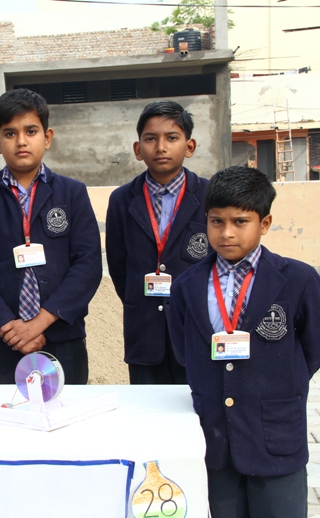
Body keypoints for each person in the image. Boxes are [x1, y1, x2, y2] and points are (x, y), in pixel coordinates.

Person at [168, 166, 320, 518]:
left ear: (265, 223)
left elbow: (316, 344)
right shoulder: (186, 285)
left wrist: (278, 380)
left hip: (275, 434)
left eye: (240, 222)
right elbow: (184, 349)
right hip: (215, 437)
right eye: (217, 221)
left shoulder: (298, 279)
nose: (227, 233)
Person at [0, 89, 102, 385]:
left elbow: (87, 265)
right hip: (4, 340)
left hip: (63, 336)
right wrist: (8, 327)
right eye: (10, 133)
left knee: (65, 410)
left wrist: (39, 323)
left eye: (31, 131)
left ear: (47, 137)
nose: (21, 141)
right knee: (6, 411)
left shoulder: (72, 193)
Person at [105, 100, 209, 385]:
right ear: (138, 149)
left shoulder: (210, 195)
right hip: (144, 331)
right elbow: (119, 266)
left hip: (197, 330)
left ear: (189, 146)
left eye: (172, 138)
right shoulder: (122, 200)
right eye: (150, 139)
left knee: (196, 407)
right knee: (147, 407)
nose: (161, 147)